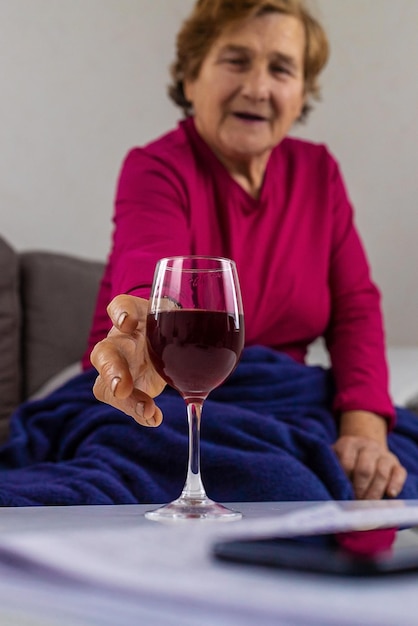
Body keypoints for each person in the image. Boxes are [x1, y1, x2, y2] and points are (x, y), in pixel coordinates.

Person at [3, 0, 418, 506]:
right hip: (165, 391)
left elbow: (356, 309)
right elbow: (148, 264)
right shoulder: (156, 167)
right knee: (278, 486)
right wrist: (144, 327)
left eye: (281, 68)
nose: (258, 87)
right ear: (191, 77)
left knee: (391, 478)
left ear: (303, 92)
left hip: (281, 398)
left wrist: (364, 430)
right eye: (236, 60)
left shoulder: (319, 174)